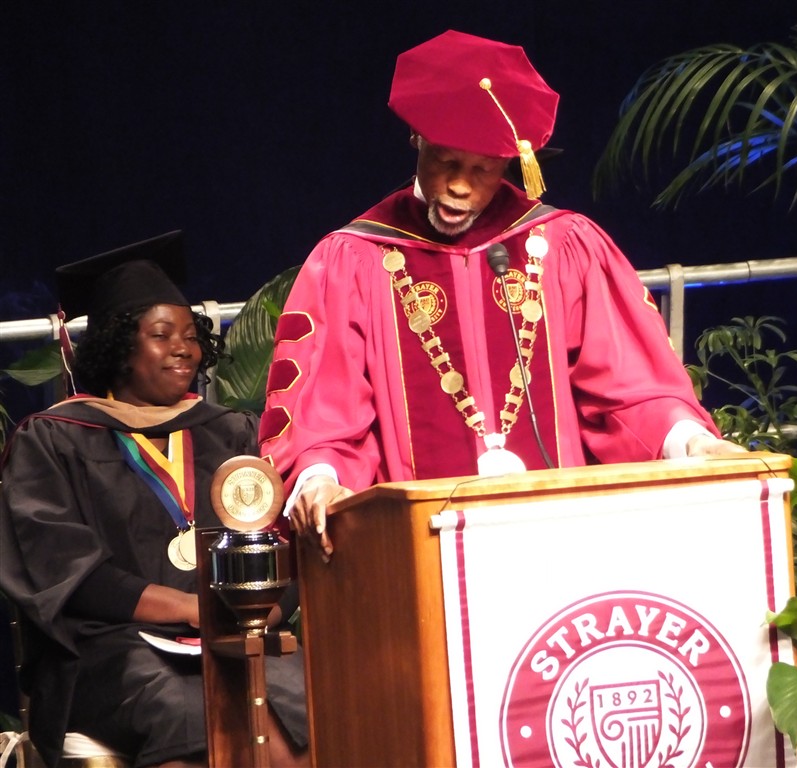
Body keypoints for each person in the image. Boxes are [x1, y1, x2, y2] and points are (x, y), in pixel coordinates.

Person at [260, 30, 747, 557]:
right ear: (417, 139)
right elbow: (326, 412)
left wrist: (690, 441)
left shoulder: (560, 245)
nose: (461, 186)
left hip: (559, 536)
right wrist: (320, 479)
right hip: (415, 551)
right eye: (447, 162)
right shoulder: (354, 259)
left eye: (483, 170)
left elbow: (631, 388)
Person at [0, 232, 308, 768]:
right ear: (119, 346)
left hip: (235, 634)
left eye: (190, 335)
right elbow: (67, 572)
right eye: (161, 336)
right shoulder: (54, 440)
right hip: (111, 646)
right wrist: (192, 609)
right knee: (185, 715)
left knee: (298, 707)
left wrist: (261, 612)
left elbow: (279, 541)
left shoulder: (229, 432)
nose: (182, 349)